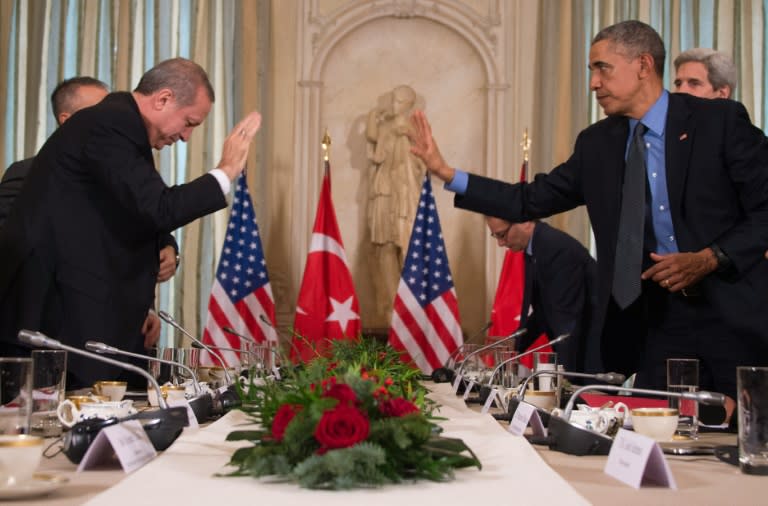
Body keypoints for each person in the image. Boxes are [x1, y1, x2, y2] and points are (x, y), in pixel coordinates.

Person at [409, 20, 768, 400]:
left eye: (603, 68)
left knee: (747, 442)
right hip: (656, 325)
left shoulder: (720, 122)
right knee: (660, 439)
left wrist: (710, 258)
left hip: (732, 315)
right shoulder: (597, 144)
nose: (594, 83)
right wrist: (447, 173)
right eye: (591, 71)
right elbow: (528, 199)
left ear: (643, 65)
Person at [0, 57, 262, 388]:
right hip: (56, 319)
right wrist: (226, 171)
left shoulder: (123, 129)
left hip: (83, 317)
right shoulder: (110, 123)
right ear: (163, 98)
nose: (186, 137)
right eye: (189, 122)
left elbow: (130, 219)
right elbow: (158, 207)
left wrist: (158, 268)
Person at [0, 76, 175, 352]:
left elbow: (143, 225)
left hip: (118, 339)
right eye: (98, 112)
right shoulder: (27, 174)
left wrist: (167, 249)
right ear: (68, 121)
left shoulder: (121, 172)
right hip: (51, 336)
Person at [486, 216, 600, 373]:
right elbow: (544, 311)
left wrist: (565, 377)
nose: (500, 243)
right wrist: (517, 341)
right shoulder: (535, 247)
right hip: (580, 354)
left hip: (591, 357)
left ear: (525, 222)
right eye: (496, 236)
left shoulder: (554, 247)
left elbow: (567, 321)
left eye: (502, 235)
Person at [365, 85, 425, 325]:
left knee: (408, 247)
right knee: (384, 248)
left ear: (409, 104)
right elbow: (372, 139)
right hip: (385, 190)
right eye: (393, 100)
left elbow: (425, 160)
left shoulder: (414, 128)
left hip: (406, 192)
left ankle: (411, 305)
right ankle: (388, 306)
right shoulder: (386, 126)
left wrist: (406, 133)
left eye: (399, 101)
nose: (394, 105)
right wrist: (373, 117)